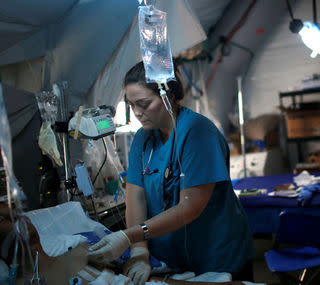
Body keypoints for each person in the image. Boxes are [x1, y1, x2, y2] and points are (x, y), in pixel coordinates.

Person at [88, 61, 254, 285]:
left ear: (169, 96)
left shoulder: (198, 133)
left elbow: (190, 207)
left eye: (144, 104)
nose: (137, 112)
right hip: (170, 262)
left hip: (216, 257)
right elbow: (135, 198)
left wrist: (131, 235)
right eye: (131, 105)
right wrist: (139, 252)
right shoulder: (142, 139)